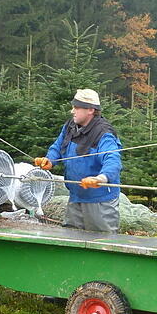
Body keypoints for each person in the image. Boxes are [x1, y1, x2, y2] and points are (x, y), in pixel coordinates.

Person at [34, 89, 122, 233]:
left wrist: (100, 178)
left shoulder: (104, 133)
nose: (72, 111)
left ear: (91, 110)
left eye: (77, 107)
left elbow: (112, 161)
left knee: (102, 241)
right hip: (75, 197)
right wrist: (50, 160)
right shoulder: (70, 126)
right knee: (71, 238)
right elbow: (58, 146)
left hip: (100, 201)